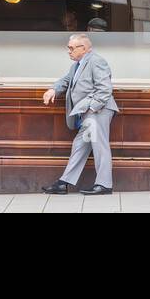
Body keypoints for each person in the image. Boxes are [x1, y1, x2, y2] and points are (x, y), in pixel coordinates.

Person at [40, 33, 120, 195]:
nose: (68, 51)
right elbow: (65, 80)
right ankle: (64, 183)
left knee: (100, 147)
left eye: (71, 48)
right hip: (89, 113)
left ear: (83, 48)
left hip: (98, 111)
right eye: (68, 48)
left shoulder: (96, 61)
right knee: (80, 146)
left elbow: (104, 89)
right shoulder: (77, 65)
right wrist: (52, 89)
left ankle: (104, 185)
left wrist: (92, 109)